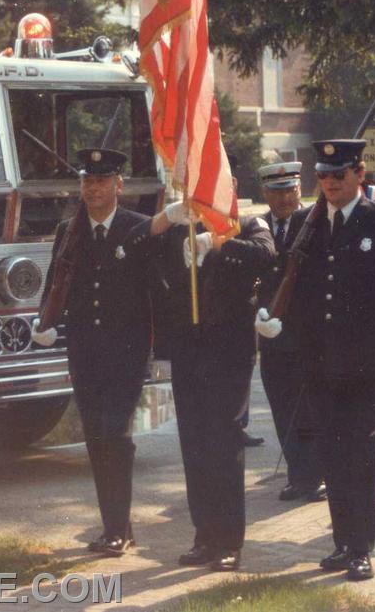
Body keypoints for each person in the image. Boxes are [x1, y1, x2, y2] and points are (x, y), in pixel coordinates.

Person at [257, 139, 375, 581]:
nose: (330, 183)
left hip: (367, 361)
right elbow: (296, 285)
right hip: (317, 359)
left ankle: (360, 548)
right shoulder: (305, 222)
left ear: (359, 175)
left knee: (359, 451)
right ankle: (341, 542)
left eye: (339, 175)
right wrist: (278, 322)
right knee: (331, 453)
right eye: (324, 176)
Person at [130, 178, 275, 572]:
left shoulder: (247, 225)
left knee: (224, 442)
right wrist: (163, 219)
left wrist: (219, 242)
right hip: (188, 351)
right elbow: (131, 245)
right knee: (194, 444)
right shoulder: (179, 227)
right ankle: (204, 536)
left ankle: (229, 541)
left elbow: (266, 255)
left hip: (229, 351)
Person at [32, 148, 151, 557]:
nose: (93, 188)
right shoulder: (70, 230)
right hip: (84, 352)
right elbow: (55, 282)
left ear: (119, 185)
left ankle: (116, 528)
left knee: (115, 435)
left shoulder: (139, 228)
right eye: (87, 181)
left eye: (101, 181)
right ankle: (118, 524)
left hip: (127, 353)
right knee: (97, 438)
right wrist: (43, 321)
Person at [256, 158, 326, 501]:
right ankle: (298, 474)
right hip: (270, 336)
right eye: (276, 192)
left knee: (310, 407)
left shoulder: (314, 222)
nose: (284, 200)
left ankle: (315, 476)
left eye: (290, 191)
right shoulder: (257, 227)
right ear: (265, 193)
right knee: (282, 406)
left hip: (307, 334)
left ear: (299, 190)